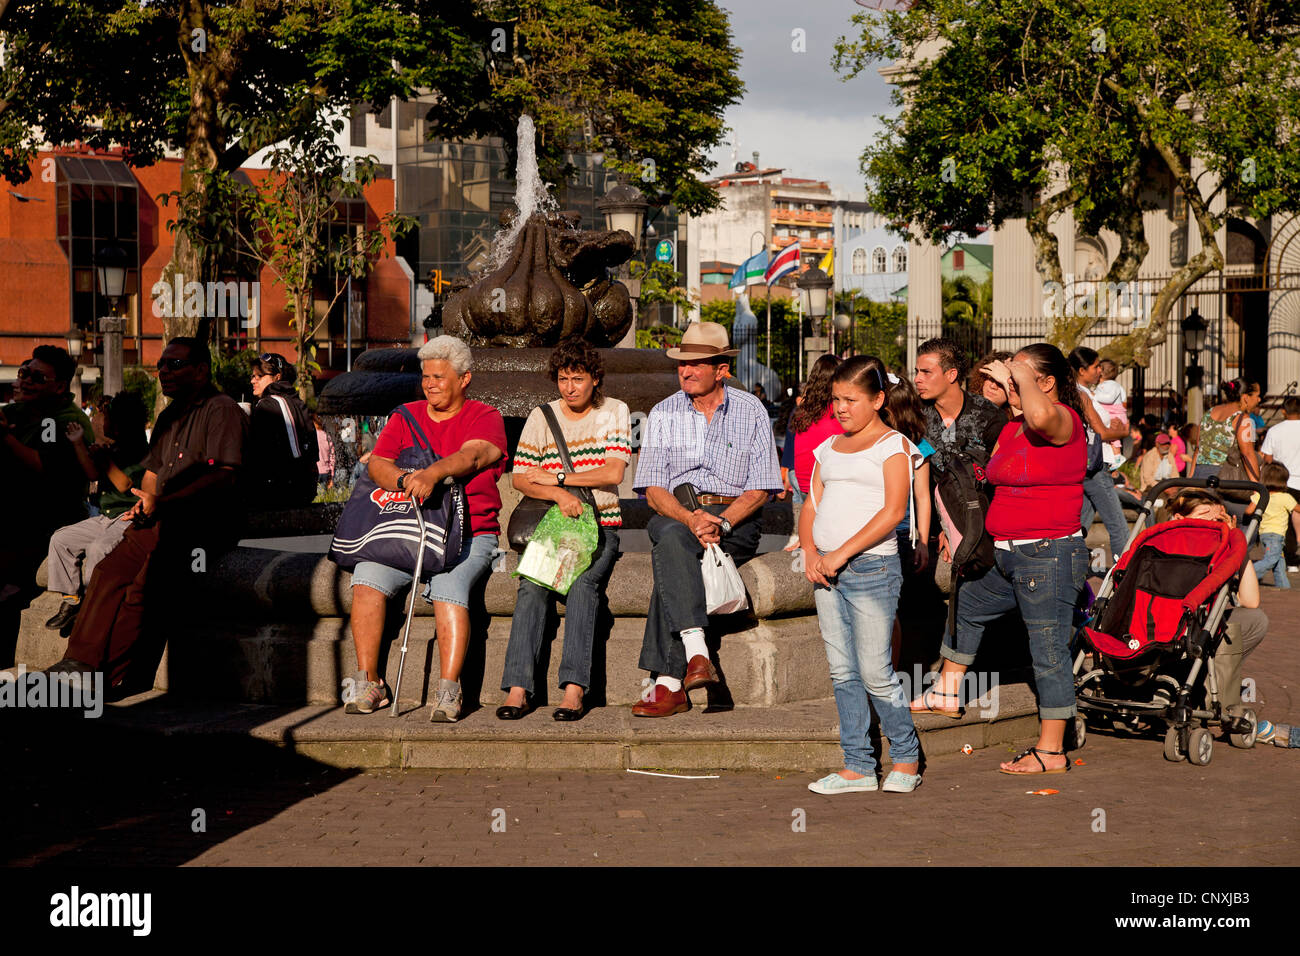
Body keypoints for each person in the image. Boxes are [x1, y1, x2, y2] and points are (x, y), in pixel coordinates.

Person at [911, 344, 1088, 774]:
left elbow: (1044, 417)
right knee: (969, 602)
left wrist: (1020, 376)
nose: (1006, 383)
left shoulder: (1063, 420)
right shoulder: (1012, 427)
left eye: (1017, 377)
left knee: (1047, 651)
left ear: (1044, 384)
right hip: (1006, 554)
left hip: (1046, 555)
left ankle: (1051, 751)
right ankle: (947, 692)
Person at [51, 337, 247, 690]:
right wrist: (147, 502)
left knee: (143, 586)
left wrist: (164, 502)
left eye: (174, 365)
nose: (163, 372)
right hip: (161, 516)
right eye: (161, 365)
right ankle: (78, 662)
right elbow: (154, 473)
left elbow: (224, 476)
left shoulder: (222, 409)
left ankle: (115, 678)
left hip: (202, 525)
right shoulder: (169, 415)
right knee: (108, 570)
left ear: (201, 370)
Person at [344, 336, 506, 722]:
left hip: (468, 535)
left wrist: (434, 473)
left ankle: (449, 690)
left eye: (438, 376)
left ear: (465, 379)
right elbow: (378, 463)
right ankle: (371, 682)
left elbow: (475, 454)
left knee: (449, 588)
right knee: (366, 578)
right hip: (407, 533)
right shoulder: (407, 415)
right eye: (425, 376)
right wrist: (404, 480)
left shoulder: (486, 416)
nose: (429, 383)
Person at [630, 321, 782, 717]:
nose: (686, 371)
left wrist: (723, 522)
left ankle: (667, 683)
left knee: (671, 556)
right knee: (671, 535)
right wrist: (691, 518)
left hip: (735, 518)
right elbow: (652, 488)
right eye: (682, 364)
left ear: (722, 369)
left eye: (697, 364)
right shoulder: (663, 413)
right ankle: (697, 655)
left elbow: (762, 487)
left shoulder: (751, 410)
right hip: (680, 513)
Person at [802, 356, 923, 794]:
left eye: (851, 399)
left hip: (872, 569)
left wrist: (840, 555)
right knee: (842, 672)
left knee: (875, 671)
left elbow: (893, 512)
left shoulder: (893, 446)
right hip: (825, 570)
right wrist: (814, 552)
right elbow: (811, 504)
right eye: (836, 399)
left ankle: (907, 757)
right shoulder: (828, 448)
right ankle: (858, 765)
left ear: (878, 400)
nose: (840, 408)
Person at [499, 338, 630, 721]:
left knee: (584, 586)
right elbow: (521, 478)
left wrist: (558, 476)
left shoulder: (615, 412)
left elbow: (613, 472)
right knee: (531, 585)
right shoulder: (542, 416)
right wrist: (559, 496)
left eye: (577, 378)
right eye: (562, 378)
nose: (569, 387)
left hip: (600, 524)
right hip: (553, 527)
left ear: (595, 379)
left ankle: (574, 689)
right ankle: (518, 688)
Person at [43, 391, 149, 632]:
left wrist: (105, 461)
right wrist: (79, 443)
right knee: (61, 539)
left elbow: (125, 485)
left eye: (105, 417)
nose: (101, 421)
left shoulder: (138, 448)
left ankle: (95, 605)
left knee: (98, 549)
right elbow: (92, 473)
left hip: (127, 518)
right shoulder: (115, 447)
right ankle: (71, 600)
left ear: (120, 423)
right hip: (106, 516)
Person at [0, 346, 95, 607]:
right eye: (24, 373)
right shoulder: (15, 412)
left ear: (60, 386)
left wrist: (6, 437)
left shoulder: (68, 420)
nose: (27, 381)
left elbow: (45, 469)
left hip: (46, 521)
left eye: (38, 378)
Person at [1166, 488, 1267, 712]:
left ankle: (1206, 679)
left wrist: (1235, 544)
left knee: (1255, 619)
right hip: (1175, 625)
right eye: (1204, 515)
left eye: (1216, 518)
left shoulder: (1217, 549)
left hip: (1194, 626)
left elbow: (1250, 601)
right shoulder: (1161, 547)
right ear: (1179, 519)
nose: (1212, 522)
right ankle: (1208, 691)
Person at [915, 338, 1007, 564]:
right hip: (929, 527)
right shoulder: (914, 416)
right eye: (917, 371)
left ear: (951, 375)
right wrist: (942, 528)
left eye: (926, 372)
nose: (917, 379)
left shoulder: (988, 415)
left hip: (982, 524)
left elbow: (997, 481)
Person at [1070, 346, 1131, 567]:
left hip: (1090, 463)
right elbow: (1101, 432)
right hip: (1096, 466)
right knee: (1118, 525)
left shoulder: (1083, 393)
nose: (1099, 371)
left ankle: (1066, 561)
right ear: (1082, 370)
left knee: (1081, 522)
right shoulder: (1081, 394)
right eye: (1095, 367)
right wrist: (1124, 431)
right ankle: (1123, 573)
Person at [246, 352, 317, 508]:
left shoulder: (269, 403)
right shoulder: (294, 400)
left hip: (281, 491)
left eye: (259, 376)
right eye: (252, 376)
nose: (253, 381)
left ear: (277, 377)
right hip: (301, 488)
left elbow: (290, 456)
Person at [1192, 378, 1261, 484]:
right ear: (1246, 398)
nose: (1259, 400)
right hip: (1222, 479)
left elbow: (1197, 450)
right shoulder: (1243, 419)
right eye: (1257, 396)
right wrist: (1257, 487)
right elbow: (1247, 454)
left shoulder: (1209, 413)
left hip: (1199, 474)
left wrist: (1190, 480)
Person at [1261, 396, 1300, 568]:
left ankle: (1291, 560)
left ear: (1284, 411)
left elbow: (1268, 458)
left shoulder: (1275, 430)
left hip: (1285, 481)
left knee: (1288, 522)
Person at [1251, 463, 1297, 589]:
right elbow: (1297, 508)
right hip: (1276, 535)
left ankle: (1283, 586)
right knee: (1270, 560)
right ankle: (1245, 575)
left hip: (1265, 534)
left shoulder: (1261, 495)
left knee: (1279, 563)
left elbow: (1249, 511)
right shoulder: (1285, 497)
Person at [1094, 358, 1129, 466]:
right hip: (1117, 415)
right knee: (1113, 439)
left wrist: (1095, 396)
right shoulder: (1117, 386)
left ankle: (1118, 457)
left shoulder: (1110, 385)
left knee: (1113, 438)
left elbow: (1109, 398)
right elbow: (1124, 400)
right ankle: (1117, 457)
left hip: (1115, 416)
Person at [313, 414, 336, 491]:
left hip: (314, 471)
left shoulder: (312, 435)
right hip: (325, 472)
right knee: (322, 498)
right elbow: (332, 457)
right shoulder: (327, 436)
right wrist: (332, 476)